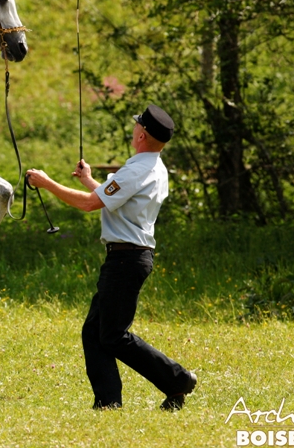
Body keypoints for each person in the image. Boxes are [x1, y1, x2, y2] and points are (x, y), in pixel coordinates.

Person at [25, 104, 197, 411]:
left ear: (141, 135)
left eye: (136, 127)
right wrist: (90, 180)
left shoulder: (135, 170)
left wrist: (47, 183)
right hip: (129, 258)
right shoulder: (154, 168)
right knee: (95, 332)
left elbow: (92, 204)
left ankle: (178, 379)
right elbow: (113, 198)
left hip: (126, 261)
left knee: (114, 335)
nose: (133, 130)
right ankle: (107, 402)